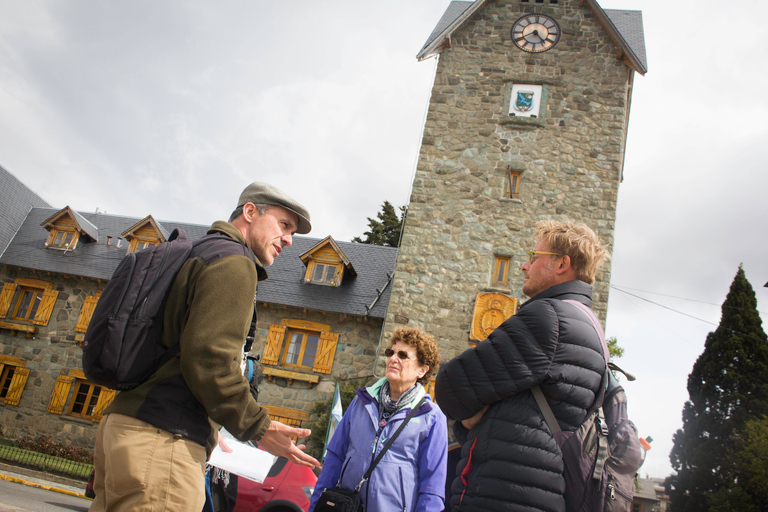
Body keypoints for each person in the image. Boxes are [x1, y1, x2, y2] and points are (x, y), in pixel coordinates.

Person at [90, 182, 322, 512]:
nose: (288, 239)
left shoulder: (202, 250)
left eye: (292, 232)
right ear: (250, 212)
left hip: (125, 427)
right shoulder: (234, 262)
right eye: (284, 225)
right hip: (163, 441)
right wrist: (258, 426)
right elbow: (209, 360)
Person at [435, 219, 611, 512]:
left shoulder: (548, 317)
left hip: (501, 494)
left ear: (562, 264)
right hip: (540, 492)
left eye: (534, 256)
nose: (524, 266)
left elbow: (450, 387)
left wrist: (470, 419)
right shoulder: (591, 328)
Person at [309, 327, 448, 512]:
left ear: (422, 370)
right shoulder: (361, 402)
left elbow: (432, 487)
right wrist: (315, 507)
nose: (393, 359)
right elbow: (335, 457)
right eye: (391, 352)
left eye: (403, 355)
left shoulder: (431, 416)